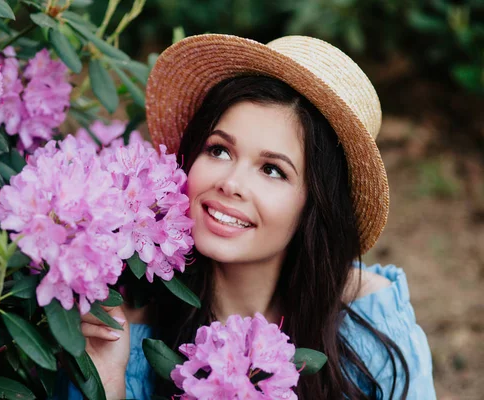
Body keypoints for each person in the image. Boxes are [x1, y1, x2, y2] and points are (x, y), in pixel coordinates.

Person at [71, 35, 436, 399]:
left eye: (273, 170)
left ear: (315, 207)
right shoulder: (124, 332)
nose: (231, 183)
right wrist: (107, 379)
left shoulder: (368, 329)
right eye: (219, 150)